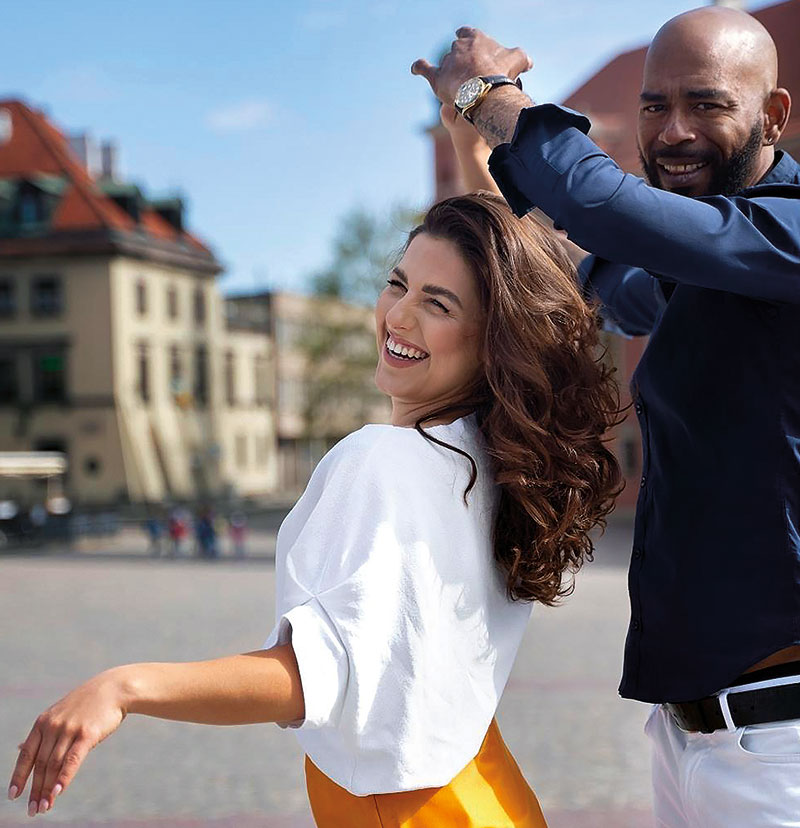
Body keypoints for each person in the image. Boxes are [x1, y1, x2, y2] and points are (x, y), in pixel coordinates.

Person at [7, 193, 622, 825]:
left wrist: (124, 687)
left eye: (437, 304)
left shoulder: (383, 460)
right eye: (398, 284)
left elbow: (315, 677)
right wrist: (467, 124)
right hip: (491, 792)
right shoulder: (493, 464)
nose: (398, 316)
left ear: (494, 340)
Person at [412, 7, 800, 826]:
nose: (674, 132)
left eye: (707, 104)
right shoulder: (708, 268)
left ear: (773, 115)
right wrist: (466, 146)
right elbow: (560, 284)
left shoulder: (786, 236)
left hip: (783, 742)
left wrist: (492, 93)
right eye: (656, 107)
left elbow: (603, 206)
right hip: (694, 738)